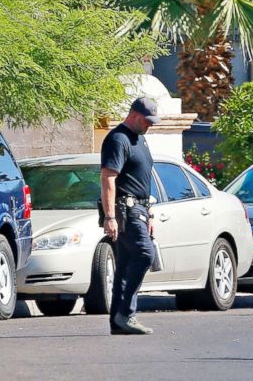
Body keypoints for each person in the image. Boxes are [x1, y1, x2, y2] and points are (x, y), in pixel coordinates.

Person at [101, 97, 160, 335]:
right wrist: (110, 217)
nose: (150, 126)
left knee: (126, 265)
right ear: (135, 115)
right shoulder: (118, 139)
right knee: (146, 254)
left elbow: (143, 179)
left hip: (140, 210)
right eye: (147, 121)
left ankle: (119, 320)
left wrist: (151, 213)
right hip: (126, 210)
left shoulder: (140, 140)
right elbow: (108, 178)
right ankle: (126, 314)